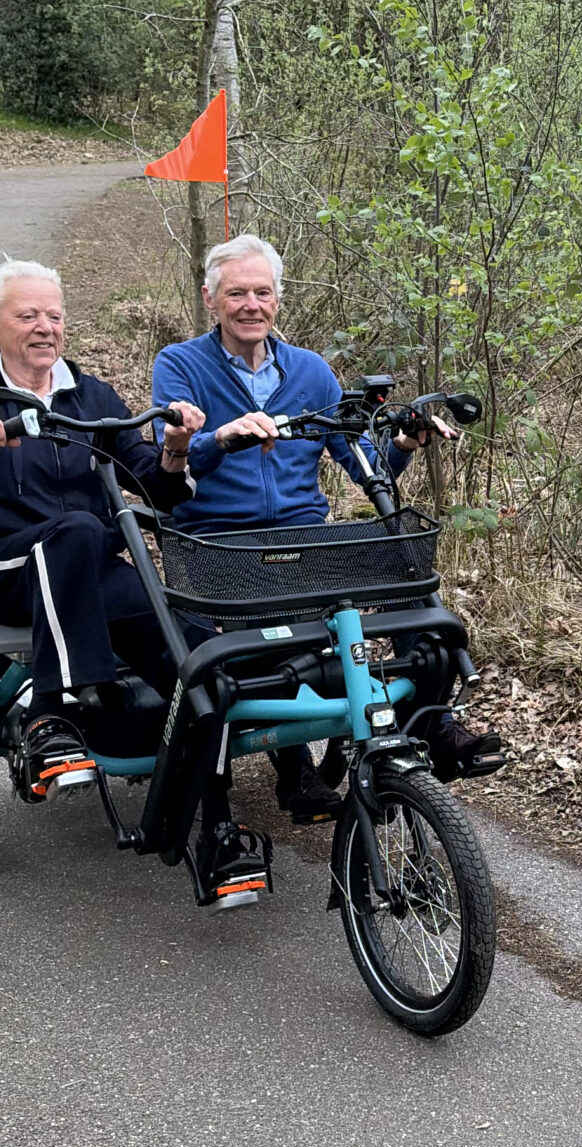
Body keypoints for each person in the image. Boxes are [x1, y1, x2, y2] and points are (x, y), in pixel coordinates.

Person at [152, 233, 501, 828]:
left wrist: (403, 444)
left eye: (263, 292)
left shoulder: (311, 372)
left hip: (303, 539)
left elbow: (362, 462)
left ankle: (434, 722)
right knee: (225, 656)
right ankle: (268, 776)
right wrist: (223, 436)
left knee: (407, 566)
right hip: (216, 541)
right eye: (236, 293)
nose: (251, 305)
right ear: (211, 299)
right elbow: (172, 461)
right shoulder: (180, 364)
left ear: (278, 300)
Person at [0, 259, 206, 798]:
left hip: (88, 567)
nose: (45, 327)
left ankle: (214, 833)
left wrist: (175, 447)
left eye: (54, 316)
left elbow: (158, 486)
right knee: (78, 529)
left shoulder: (91, 396)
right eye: (28, 315)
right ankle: (49, 718)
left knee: (196, 660)